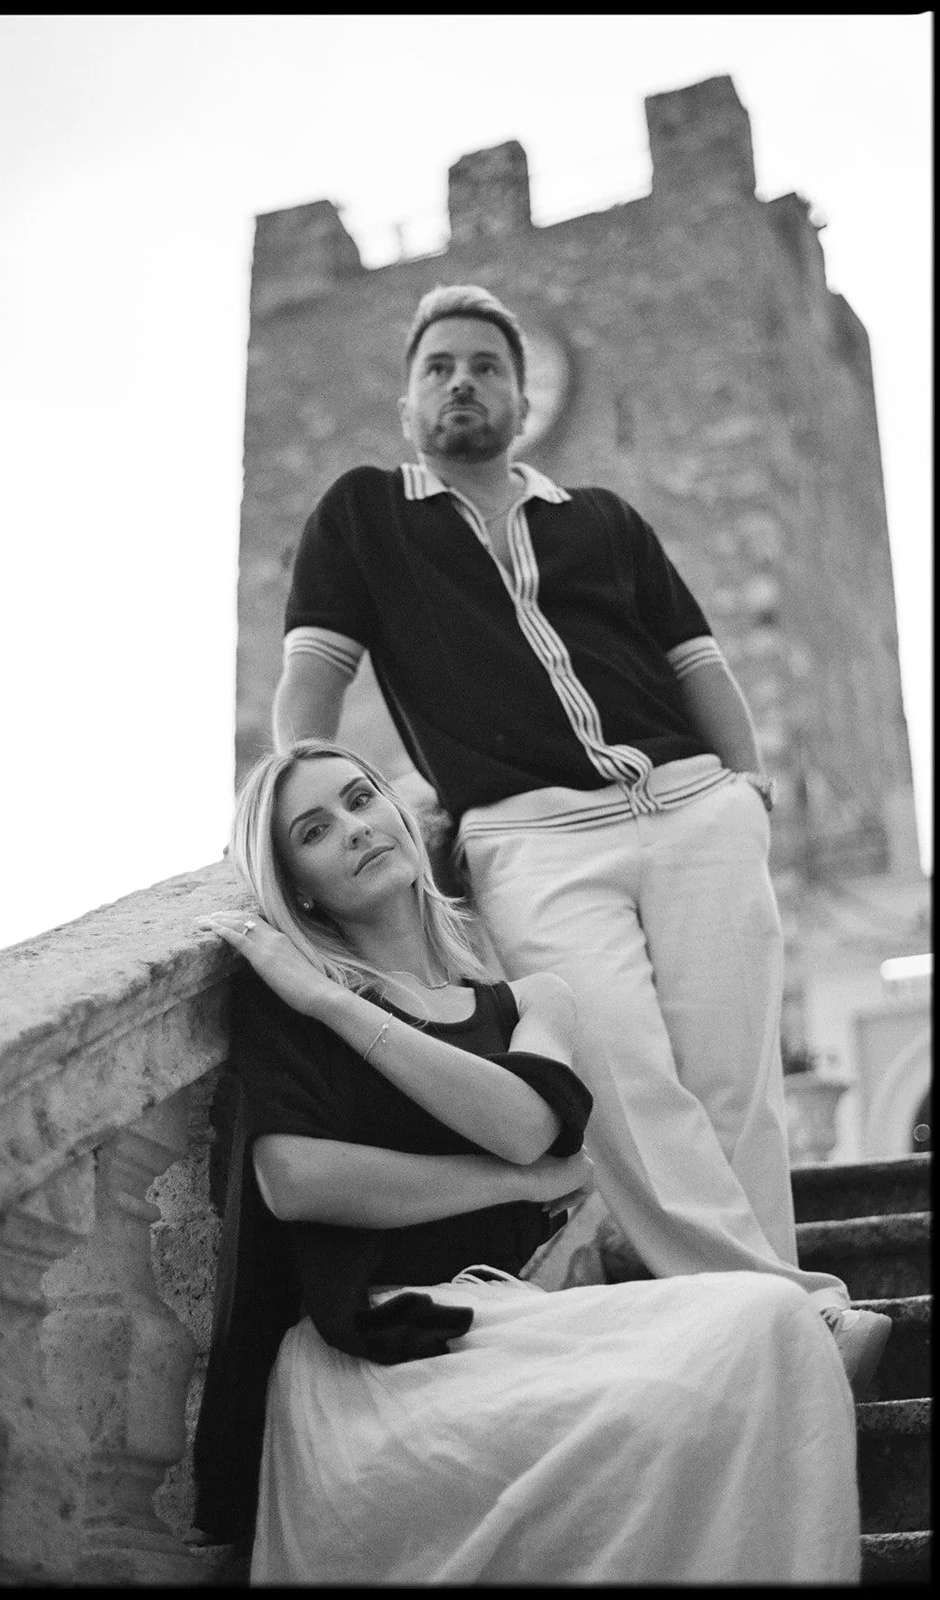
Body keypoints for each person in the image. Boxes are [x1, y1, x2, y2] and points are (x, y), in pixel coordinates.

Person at [269, 282, 890, 1386]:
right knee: (613, 1078)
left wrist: (743, 790)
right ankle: (791, 1318)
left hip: (690, 811)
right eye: (439, 368)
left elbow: (699, 666)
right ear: (409, 400)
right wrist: (289, 822)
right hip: (530, 835)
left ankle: (784, 1340)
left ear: (518, 391)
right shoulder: (362, 515)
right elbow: (308, 684)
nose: (463, 382)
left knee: (728, 1081)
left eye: (485, 365)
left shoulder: (600, 517)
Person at [190, 738, 859, 1584]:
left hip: (504, 1326)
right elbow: (295, 1181)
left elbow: (520, 1121)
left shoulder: (533, 1001)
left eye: (361, 800)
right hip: (377, 1358)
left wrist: (345, 1011)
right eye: (315, 831)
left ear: (401, 813)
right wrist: (325, 996)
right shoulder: (284, 996)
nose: (354, 829)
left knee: (771, 1322)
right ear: (299, 889)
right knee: (688, 1391)